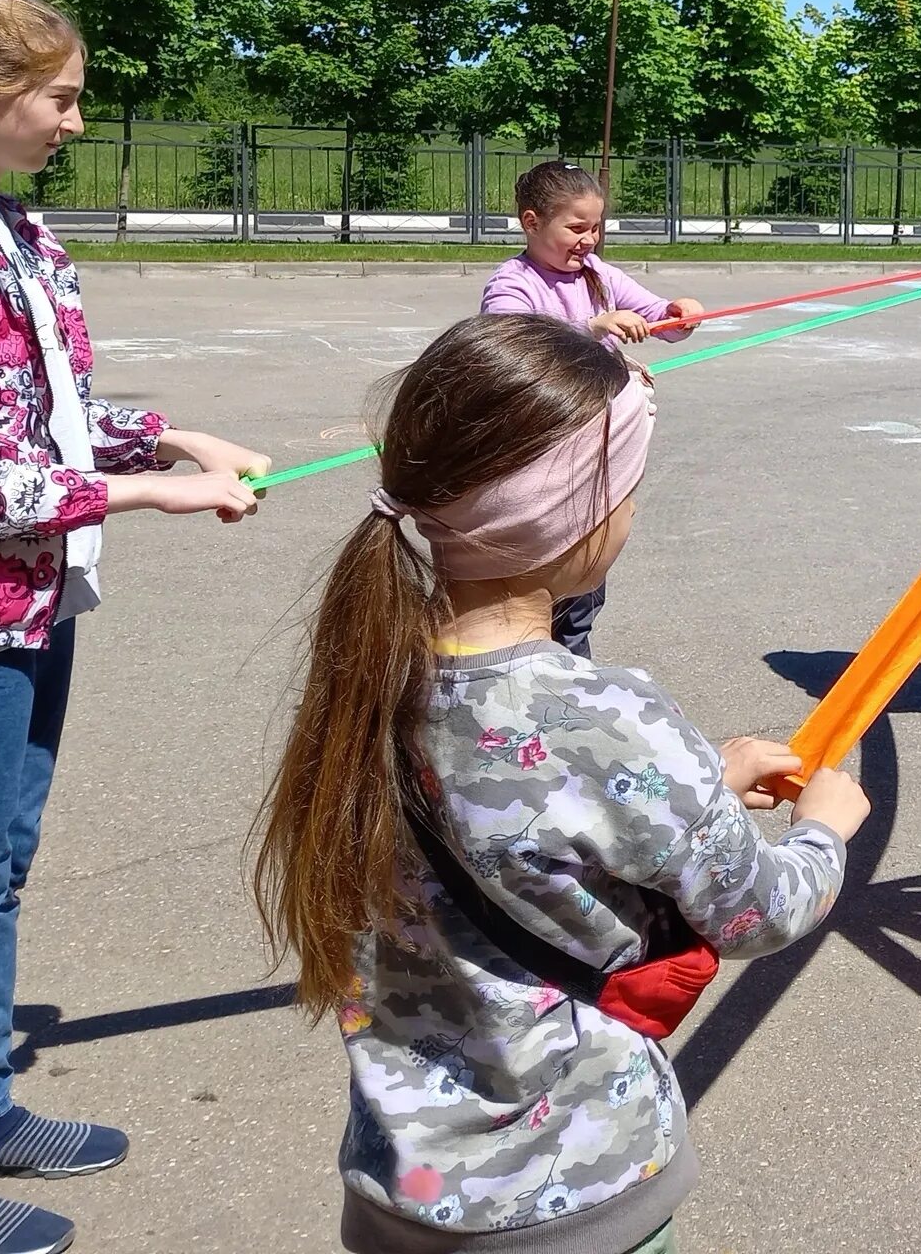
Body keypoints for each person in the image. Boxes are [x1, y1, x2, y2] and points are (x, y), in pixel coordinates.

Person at [253, 312, 866, 1254]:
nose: (633, 510)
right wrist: (824, 830)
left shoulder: (370, 672)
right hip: (571, 1203)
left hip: (397, 1190)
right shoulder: (606, 717)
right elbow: (760, 912)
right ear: (569, 514)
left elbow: (524, 821)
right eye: (625, 487)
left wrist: (705, 779)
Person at [0, 0, 266, 1254]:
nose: (79, 121)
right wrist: (150, 490)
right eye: (64, 96)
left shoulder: (9, 231)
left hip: (34, 583)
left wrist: (169, 431)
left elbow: (37, 419)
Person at [480, 161, 705, 657]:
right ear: (532, 222)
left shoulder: (598, 274)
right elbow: (508, 345)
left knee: (584, 584)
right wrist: (592, 327)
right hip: (541, 457)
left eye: (596, 227)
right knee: (534, 583)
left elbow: (652, 313)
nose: (589, 240)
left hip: (595, 452)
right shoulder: (512, 282)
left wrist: (677, 314)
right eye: (576, 227)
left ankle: (574, 672)